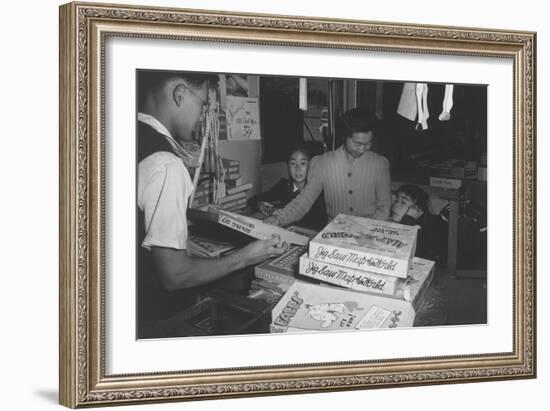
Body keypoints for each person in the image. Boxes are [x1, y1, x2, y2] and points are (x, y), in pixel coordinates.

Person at [137, 71, 288, 334]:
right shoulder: (166, 166)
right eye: (204, 104)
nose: (203, 117)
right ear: (180, 95)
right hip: (153, 316)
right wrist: (245, 257)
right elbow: (175, 276)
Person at [265, 108, 392, 227]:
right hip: (333, 233)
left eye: (368, 143)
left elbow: (384, 208)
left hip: (369, 232)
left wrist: (364, 230)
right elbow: (304, 200)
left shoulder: (380, 164)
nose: (362, 149)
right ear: (344, 137)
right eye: (357, 143)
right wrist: (279, 218)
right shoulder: (322, 162)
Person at [249, 147, 327, 229]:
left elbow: (317, 221)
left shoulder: (316, 190)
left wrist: (282, 214)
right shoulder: (284, 186)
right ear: (288, 166)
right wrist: (260, 205)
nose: (297, 169)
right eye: (293, 164)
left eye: (303, 163)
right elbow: (254, 199)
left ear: (311, 166)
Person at [389, 184, 447, 262]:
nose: (395, 205)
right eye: (396, 201)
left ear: (417, 209)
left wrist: (409, 219)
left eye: (403, 202)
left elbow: (405, 251)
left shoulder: (425, 231)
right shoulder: (390, 222)